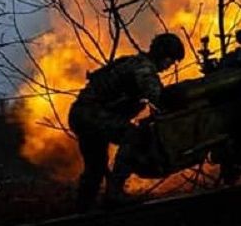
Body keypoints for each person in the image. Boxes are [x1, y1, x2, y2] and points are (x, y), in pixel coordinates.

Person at [68, 33, 185, 210]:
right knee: (134, 135)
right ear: (162, 55)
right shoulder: (143, 68)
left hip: (81, 114)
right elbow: (158, 98)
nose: (170, 66)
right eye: (170, 59)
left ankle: (83, 208)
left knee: (96, 167)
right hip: (92, 114)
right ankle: (114, 192)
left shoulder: (134, 63)